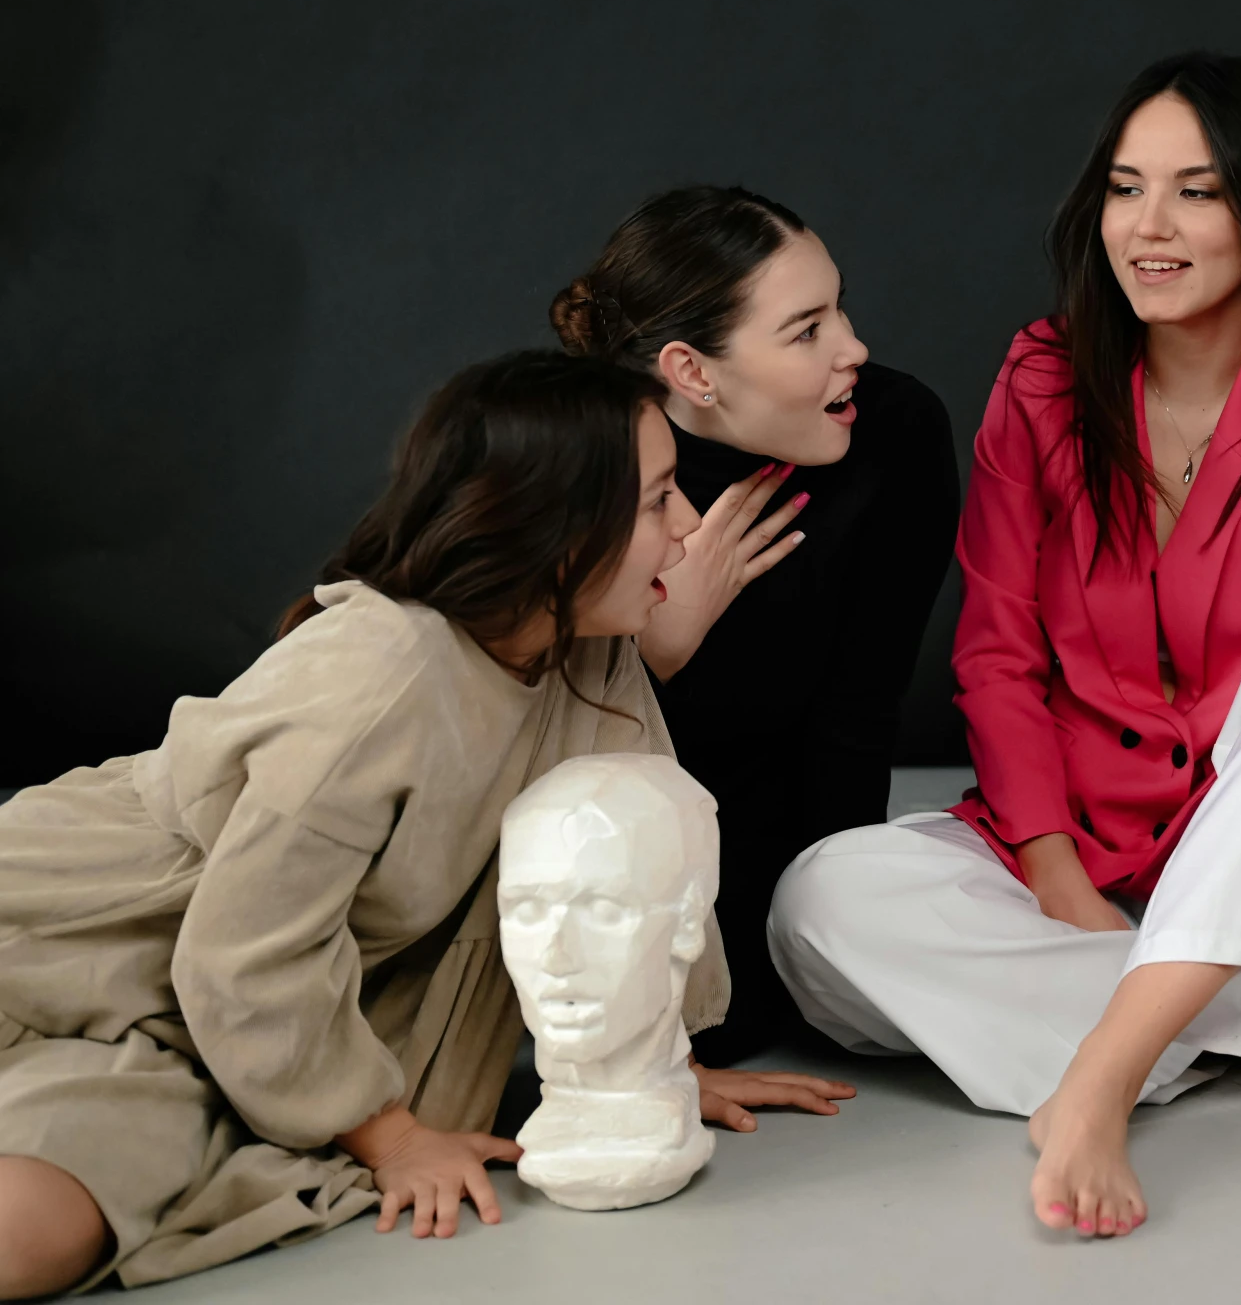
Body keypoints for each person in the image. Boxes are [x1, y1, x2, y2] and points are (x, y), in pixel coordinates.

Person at [770, 51, 1241, 1239]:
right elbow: (996, 649)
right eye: (1124, 187)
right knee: (817, 902)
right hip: (1077, 862)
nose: (1149, 227)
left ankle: (1101, 1072)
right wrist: (1053, 871)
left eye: (1197, 192)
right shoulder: (1046, 378)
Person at [0, 352, 852, 1297]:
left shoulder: (589, 649)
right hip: (85, 940)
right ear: (559, 530)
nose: (689, 529)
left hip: (242, 1014)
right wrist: (392, 1135)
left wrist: (659, 1059)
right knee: (20, 1242)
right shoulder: (382, 676)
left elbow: (643, 839)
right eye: (659, 501)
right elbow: (241, 949)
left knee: (46, 1228)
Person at [551, 187, 959, 1065]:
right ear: (692, 372)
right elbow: (538, 769)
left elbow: (861, 707)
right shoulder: (586, 469)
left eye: (839, 308)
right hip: (628, 855)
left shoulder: (893, 430)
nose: (854, 348)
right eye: (807, 330)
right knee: (709, 1031)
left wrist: (831, 925)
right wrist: (659, 648)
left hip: (798, 836)